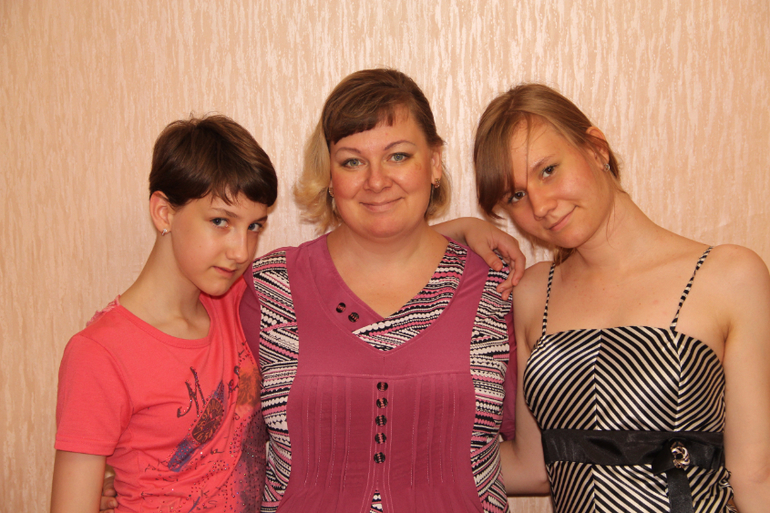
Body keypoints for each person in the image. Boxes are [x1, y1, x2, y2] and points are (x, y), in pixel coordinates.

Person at [474, 83, 770, 512]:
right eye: (516, 195)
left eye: (548, 170)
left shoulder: (728, 275)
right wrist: (428, 235)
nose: (539, 206)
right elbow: (530, 466)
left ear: (597, 149)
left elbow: (755, 477)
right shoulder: (533, 292)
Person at [238, 68, 521, 513]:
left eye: (398, 156)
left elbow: (533, 449)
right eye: (352, 161)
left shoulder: (495, 288)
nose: (375, 181)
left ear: (435, 163)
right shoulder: (269, 287)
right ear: (329, 176)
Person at [51, 115, 278, 513]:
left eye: (254, 226)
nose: (241, 251)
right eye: (220, 221)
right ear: (163, 213)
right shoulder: (100, 354)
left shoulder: (241, 302)